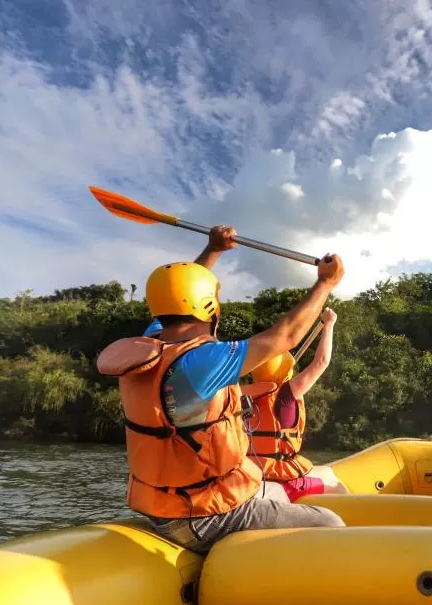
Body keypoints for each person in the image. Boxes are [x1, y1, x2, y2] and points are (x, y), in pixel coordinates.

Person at [96, 225, 346, 554]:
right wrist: (326, 283)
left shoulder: (151, 344)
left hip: (166, 506)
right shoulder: (201, 362)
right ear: (207, 305)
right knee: (330, 523)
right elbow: (285, 336)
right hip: (202, 516)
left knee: (271, 491)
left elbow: (179, 291)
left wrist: (213, 250)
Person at [242, 306, 349, 502]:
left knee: (327, 471)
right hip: (280, 480)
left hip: (249, 472)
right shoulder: (285, 396)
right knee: (338, 486)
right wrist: (329, 324)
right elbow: (321, 362)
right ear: (286, 372)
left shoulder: (242, 396)